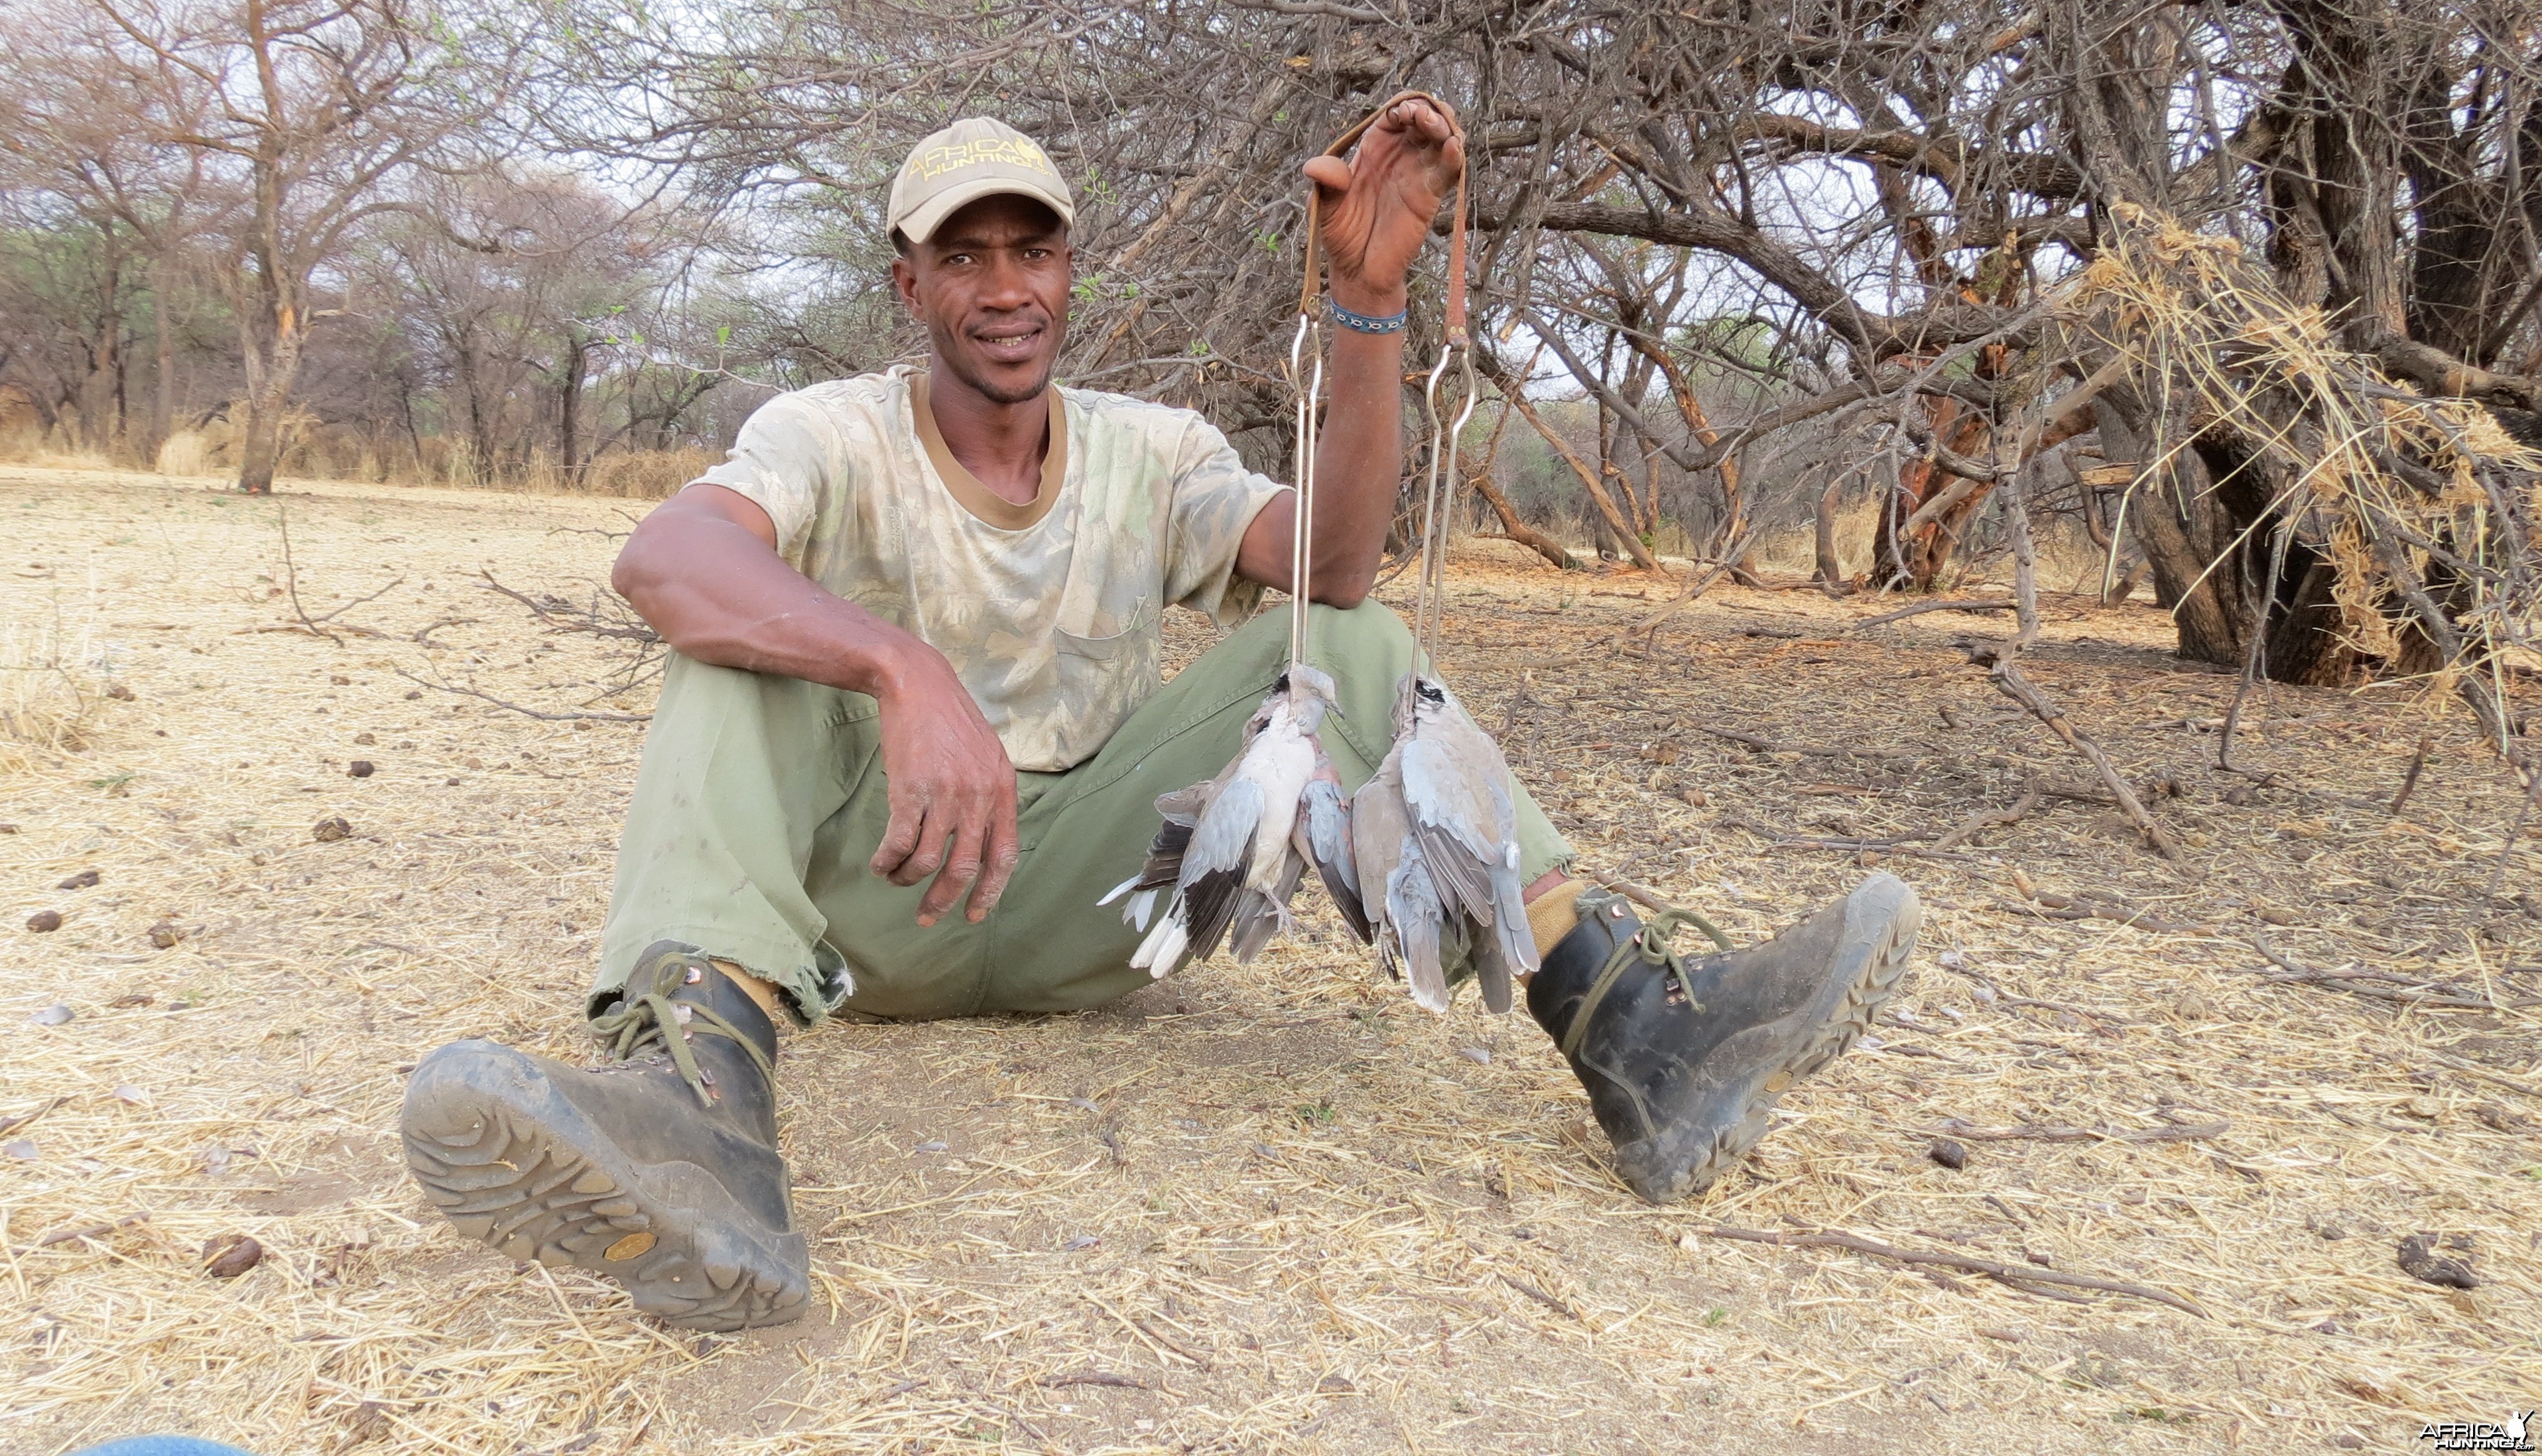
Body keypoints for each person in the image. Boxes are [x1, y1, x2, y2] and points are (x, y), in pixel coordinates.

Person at [398, 102, 1921, 1332]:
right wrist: (897, 667)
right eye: (964, 256)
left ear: (1071, 270)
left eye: (1033, 249)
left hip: (1094, 907)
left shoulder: (1150, 450)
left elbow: (1329, 565)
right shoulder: (829, 434)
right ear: (905, 285)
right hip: (874, 909)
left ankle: (1636, 1034)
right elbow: (661, 555)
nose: (1004, 288)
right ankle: (705, 1117)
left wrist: (1365, 305)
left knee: (1352, 636)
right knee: (727, 646)